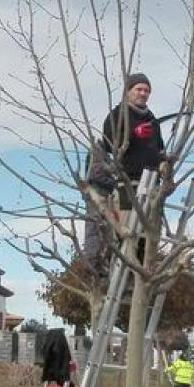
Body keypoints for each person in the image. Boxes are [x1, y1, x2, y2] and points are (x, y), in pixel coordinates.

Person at [83, 73, 170, 274]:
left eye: (146, 90)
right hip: (127, 183)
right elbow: (109, 142)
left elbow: (160, 149)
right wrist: (132, 135)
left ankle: (140, 272)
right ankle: (125, 271)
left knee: (147, 232)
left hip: (151, 183)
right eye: (139, 89)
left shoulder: (152, 119)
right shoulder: (116, 116)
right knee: (128, 231)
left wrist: (164, 163)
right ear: (128, 91)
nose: (143, 93)